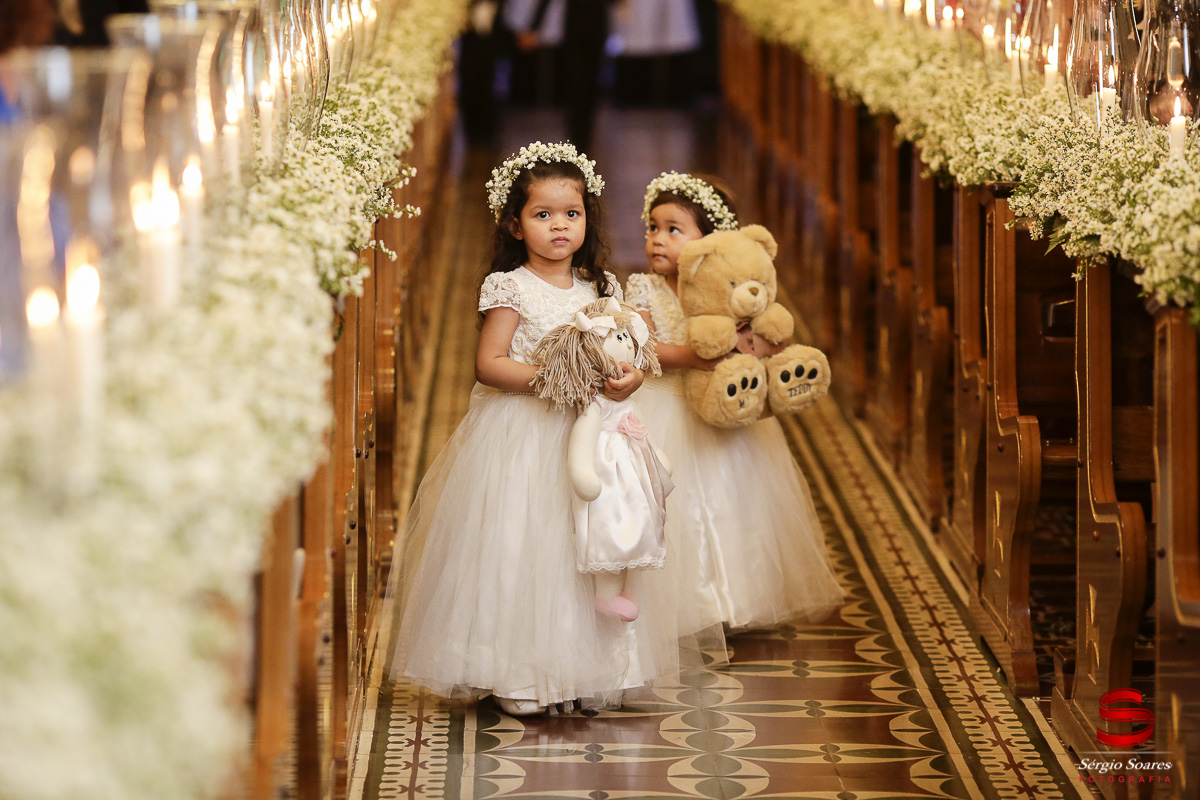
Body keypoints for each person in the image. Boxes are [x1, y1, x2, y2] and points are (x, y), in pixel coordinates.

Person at [386, 144, 709, 717]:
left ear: (587, 219)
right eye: (543, 215)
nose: (559, 225)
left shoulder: (601, 287)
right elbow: (490, 364)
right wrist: (556, 379)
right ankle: (522, 673)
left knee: (590, 547)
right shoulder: (509, 287)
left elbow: (632, 351)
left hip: (595, 436)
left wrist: (630, 379)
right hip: (526, 434)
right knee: (527, 543)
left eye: (571, 213)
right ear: (515, 224)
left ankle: (593, 668)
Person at [625, 171, 845, 631]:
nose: (658, 239)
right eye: (653, 228)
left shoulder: (727, 288)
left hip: (724, 409)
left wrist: (754, 348)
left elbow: (763, 335)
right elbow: (644, 348)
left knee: (732, 500)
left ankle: (733, 600)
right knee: (672, 506)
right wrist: (695, 357)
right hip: (663, 405)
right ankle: (680, 606)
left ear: (710, 242)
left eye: (673, 230)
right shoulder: (644, 288)